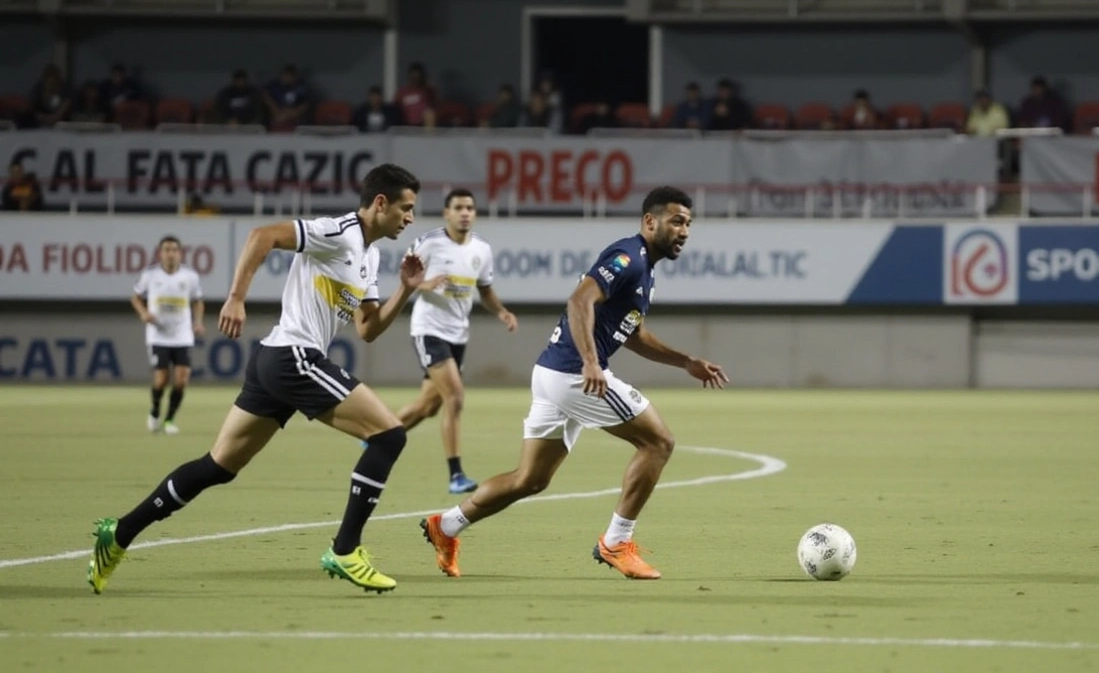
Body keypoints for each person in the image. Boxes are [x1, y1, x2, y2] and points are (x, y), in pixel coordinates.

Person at [88, 164, 426, 595]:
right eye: (406, 208)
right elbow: (261, 237)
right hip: (293, 356)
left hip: (277, 361)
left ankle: (117, 535)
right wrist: (235, 298)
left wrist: (407, 290)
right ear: (381, 203)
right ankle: (345, 550)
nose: (411, 218)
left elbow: (368, 328)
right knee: (389, 436)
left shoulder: (371, 255)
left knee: (218, 466)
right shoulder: (338, 231)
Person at [420, 186, 729, 581]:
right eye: (676, 221)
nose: (684, 230)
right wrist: (590, 363)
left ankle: (445, 527)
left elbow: (631, 334)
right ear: (650, 222)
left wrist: (686, 361)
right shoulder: (628, 257)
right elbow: (579, 301)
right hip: (573, 374)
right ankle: (617, 542)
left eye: (688, 223)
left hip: (552, 373)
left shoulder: (645, 271)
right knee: (658, 442)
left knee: (529, 480)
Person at [397, 189, 518, 494]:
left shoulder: (482, 249)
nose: (465, 212)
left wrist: (502, 312)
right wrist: (424, 284)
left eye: (469, 208)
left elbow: (485, 290)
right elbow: (406, 279)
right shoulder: (429, 243)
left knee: (427, 407)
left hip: (458, 333)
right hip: (429, 329)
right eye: (459, 207)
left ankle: (378, 432)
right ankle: (456, 475)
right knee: (455, 397)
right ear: (446, 213)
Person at [131, 236, 205, 435]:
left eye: (174, 249)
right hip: (158, 335)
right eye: (166, 249)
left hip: (182, 334)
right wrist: (143, 313)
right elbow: (136, 297)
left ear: (180, 253)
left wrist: (198, 322)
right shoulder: (150, 275)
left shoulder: (190, 276)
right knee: (161, 380)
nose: (170, 253)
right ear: (160, 253)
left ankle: (169, 419)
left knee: (181, 380)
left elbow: (197, 301)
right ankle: (155, 411)